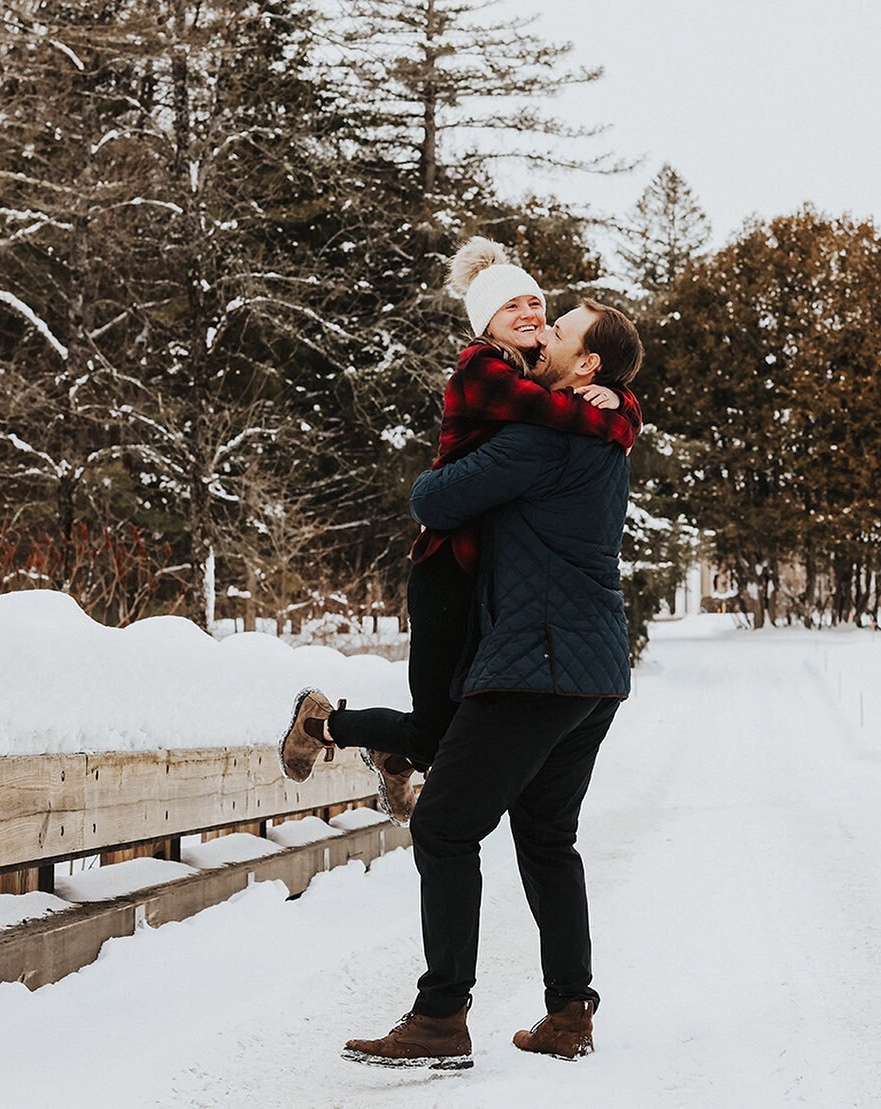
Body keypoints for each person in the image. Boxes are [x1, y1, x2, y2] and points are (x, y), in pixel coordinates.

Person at [340, 298, 644, 1068]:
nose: (543, 335)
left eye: (560, 332)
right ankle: (569, 1012)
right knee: (547, 838)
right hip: (594, 672)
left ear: (588, 367)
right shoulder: (604, 437)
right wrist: (624, 405)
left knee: (443, 827)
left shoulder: (543, 436)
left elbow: (432, 499)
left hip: (533, 666)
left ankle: (441, 1016)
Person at [279, 239, 641, 824]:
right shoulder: (484, 367)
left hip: (485, 577)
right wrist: (616, 415)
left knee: (451, 722)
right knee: (438, 725)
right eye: (511, 308)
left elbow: (559, 405)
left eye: (537, 305)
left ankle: (394, 757)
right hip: (446, 562)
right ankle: (326, 725)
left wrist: (621, 401)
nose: (532, 317)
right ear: (485, 324)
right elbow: (551, 416)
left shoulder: (528, 372)